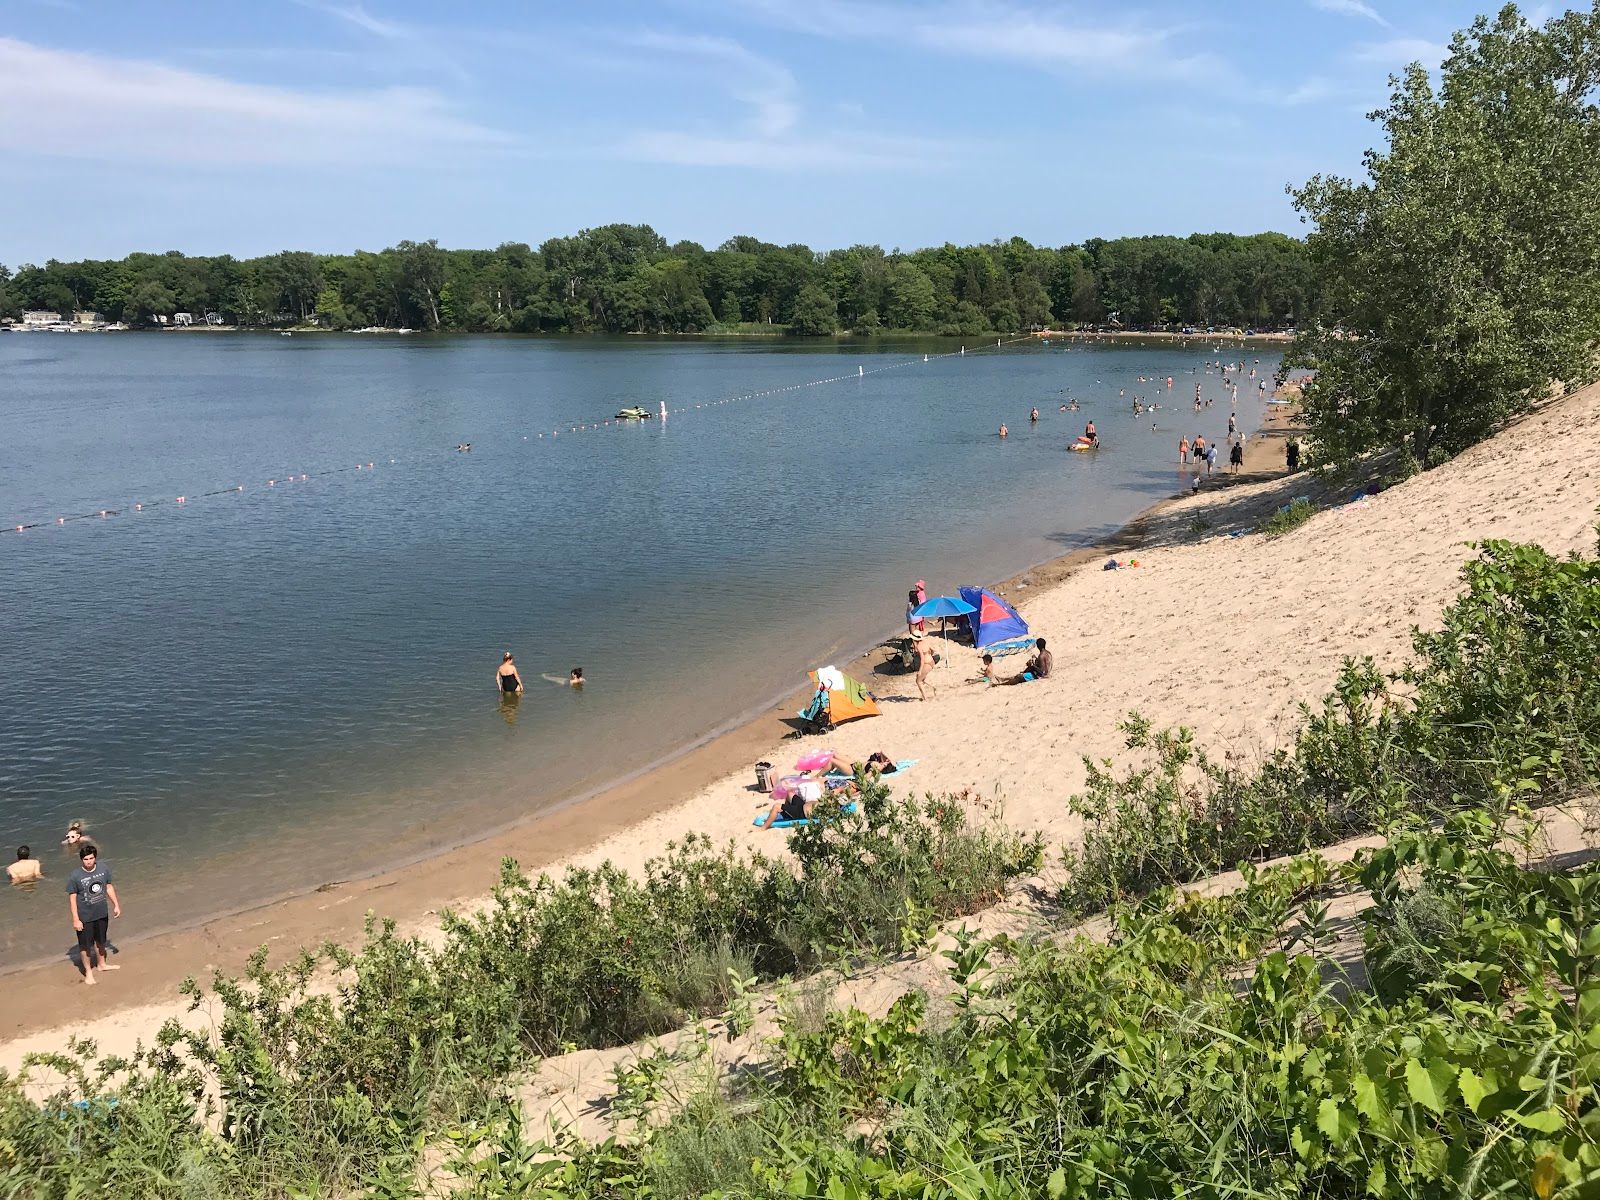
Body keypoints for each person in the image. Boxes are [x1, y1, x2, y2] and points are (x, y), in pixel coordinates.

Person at [66, 844, 120, 985]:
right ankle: (88, 973)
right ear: (81, 860)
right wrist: (76, 919)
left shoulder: (103, 868)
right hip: (85, 917)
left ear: (95, 858)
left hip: (101, 913)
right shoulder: (75, 876)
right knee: (85, 946)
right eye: (86, 859)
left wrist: (116, 905)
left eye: (91, 858)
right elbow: (72, 898)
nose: (89, 861)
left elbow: (108, 887)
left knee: (101, 940)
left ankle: (102, 965)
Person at [761, 775, 826, 829]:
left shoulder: (832, 806)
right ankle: (786, 811)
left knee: (776, 806)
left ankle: (763, 828)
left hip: (801, 813)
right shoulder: (831, 799)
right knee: (790, 793)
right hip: (803, 805)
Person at [913, 630, 940, 701]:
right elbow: (933, 649)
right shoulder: (925, 641)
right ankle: (932, 689)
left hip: (926, 664)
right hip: (931, 661)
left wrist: (920, 670)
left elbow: (922, 660)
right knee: (921, 678)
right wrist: (929, 654)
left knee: (918, 681)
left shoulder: (919, 646)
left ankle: (925, 698)